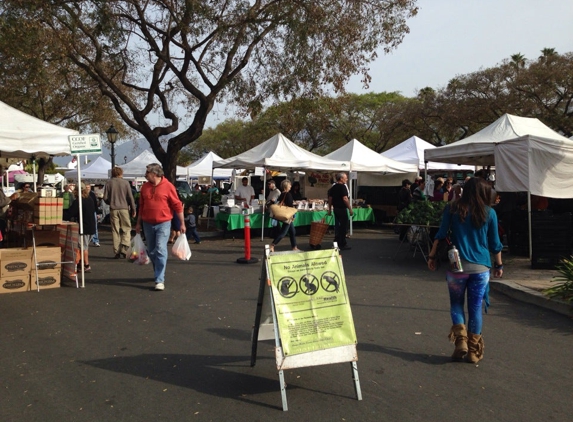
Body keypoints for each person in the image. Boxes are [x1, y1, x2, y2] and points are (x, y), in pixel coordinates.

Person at [427, 177, 504, 364]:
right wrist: (499, 265)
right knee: (475, 308)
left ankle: (460, 341)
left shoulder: (452, 209)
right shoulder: (489, 213)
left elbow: (441, 233)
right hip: (481, 267)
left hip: (457, 266)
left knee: (456, 304)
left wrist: (432, 256)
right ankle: (473, 351)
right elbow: (495, 244)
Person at [135, 163, 185, 291]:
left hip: (163, 222)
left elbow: (177, 205)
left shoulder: (168, 187)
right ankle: (158, 271)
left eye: (147, 173)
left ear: (154, 174)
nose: (145, 175)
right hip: (147, 222)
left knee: (161, 249)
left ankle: (159, 279)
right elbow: (141, 206)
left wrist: (182, 223)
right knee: (151, 250)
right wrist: (138, 223)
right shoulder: (145, 188)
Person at [104, 167, 137, 259]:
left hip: (113, 209)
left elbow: (105, 197)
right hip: (124, 208)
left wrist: (110, 202)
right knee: (127, 228)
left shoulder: (108, 183)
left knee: (115, 230)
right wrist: (133, 209)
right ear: (121, 173)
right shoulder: (125, 183)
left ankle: (116, 250)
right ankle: (124, 247)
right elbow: (130, 197)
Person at [69, 182, 96, 273]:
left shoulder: (79, 201)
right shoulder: (90, 199)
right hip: (91, 226)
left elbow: (71, 213)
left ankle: (86, 264)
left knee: (82, 247)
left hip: (84, 227)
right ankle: (83, 264)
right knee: (84, 246)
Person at [269, 179, 299, 253]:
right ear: (286, 186)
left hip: (284, 215)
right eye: (289, 185)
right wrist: (293, 215)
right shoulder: (288, 194)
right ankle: (272, 245)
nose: (290, 186)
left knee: (292, 231)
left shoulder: (282, 194)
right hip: (287, 215)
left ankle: (294, 247)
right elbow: (290, 206)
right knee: (283, 232)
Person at [327, 172, 353, 250]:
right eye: (345, 178)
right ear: (341, 178)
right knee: (344, 227)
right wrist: (350, 208)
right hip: (342, 209)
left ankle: (336, 243)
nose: (347, 179)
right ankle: (342, 243)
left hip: (336, 209)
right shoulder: (342, 187)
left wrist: (329, 209)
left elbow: (330, 199)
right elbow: (345, 198)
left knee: (339, 227)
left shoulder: (333, 187)